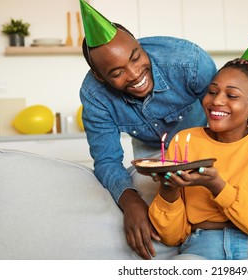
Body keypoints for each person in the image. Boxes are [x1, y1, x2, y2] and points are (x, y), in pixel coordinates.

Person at [78, 0, 217, 260]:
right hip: (152, 150)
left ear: (139, 44)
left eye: (136, 57)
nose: (134, 74)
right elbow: (107, 160)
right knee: (149, 195)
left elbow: (228, 118)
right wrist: (129, 201)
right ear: (100, 77)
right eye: (117, 72)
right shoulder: (94, 95)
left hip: (206, 140)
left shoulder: (188, 61)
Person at [148, 32, 248, 259]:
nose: (216, 101)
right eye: (213, 91)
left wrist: (218, 186)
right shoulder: (184, 140)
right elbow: (172, 237)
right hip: (201, 245)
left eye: (232, 95)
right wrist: (169, 189)